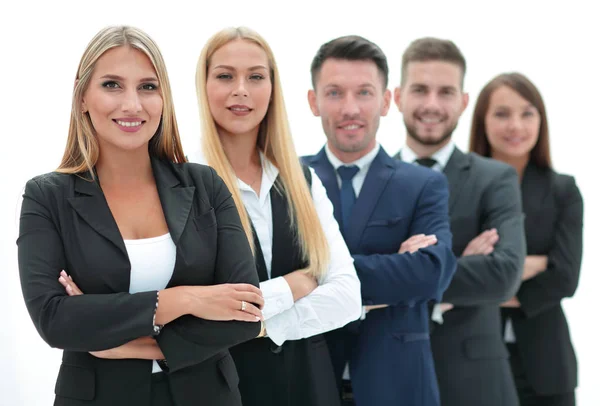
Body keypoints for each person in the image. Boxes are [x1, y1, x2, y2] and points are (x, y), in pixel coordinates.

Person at [17, 25, 264, 406]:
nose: (132, 104)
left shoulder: (205, 186)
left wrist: (120, 344)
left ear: (163, 97)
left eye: (148, 87)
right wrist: (184, 299)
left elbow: (246, 312)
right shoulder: (47, 197)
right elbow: (54, 318)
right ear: (82, 96)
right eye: (112, 85)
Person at [187, 26, 362, 406]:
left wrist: (262, 324)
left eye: (255, 76)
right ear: (203, 86)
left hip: (310, 388)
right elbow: (189, 315)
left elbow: (348, 295)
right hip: (222, 390)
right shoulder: (183, 182)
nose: (241, 90)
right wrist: (294, 286)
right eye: (225, 76)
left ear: (272, 87)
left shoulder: (302, 179)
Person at [303, 35, 456, 406]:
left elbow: (431, 271)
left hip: (399, 385)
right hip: (306, 381)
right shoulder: (288, 181)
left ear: (386, 101)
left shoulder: (424, 183)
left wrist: (316, 276)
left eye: (365, 93)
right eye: (335, 93)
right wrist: (394, 270)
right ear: (314, 101)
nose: (350, 108)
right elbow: (269, 275)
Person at [393, 38, 526, 406]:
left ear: (463, 101)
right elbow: (351, 278)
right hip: (387, 378)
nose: (432, 105)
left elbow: (503, 276)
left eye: (446, 92)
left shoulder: (495, 179)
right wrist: (460, 265)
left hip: (476, 385)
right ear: (398, 96)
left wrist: (396, 276)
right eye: (420, 90)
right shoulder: (369, 179)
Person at [469, 72, 583, 406]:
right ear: (482, 122)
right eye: (502, 113)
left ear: (541, 121)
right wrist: (533, 263)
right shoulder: (459, 188)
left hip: (547, 366)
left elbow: (564, 278)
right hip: (472, 357)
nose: (516, 125)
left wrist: (488, 280)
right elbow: (454, 273)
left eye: (527, 113)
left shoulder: (562, 190)